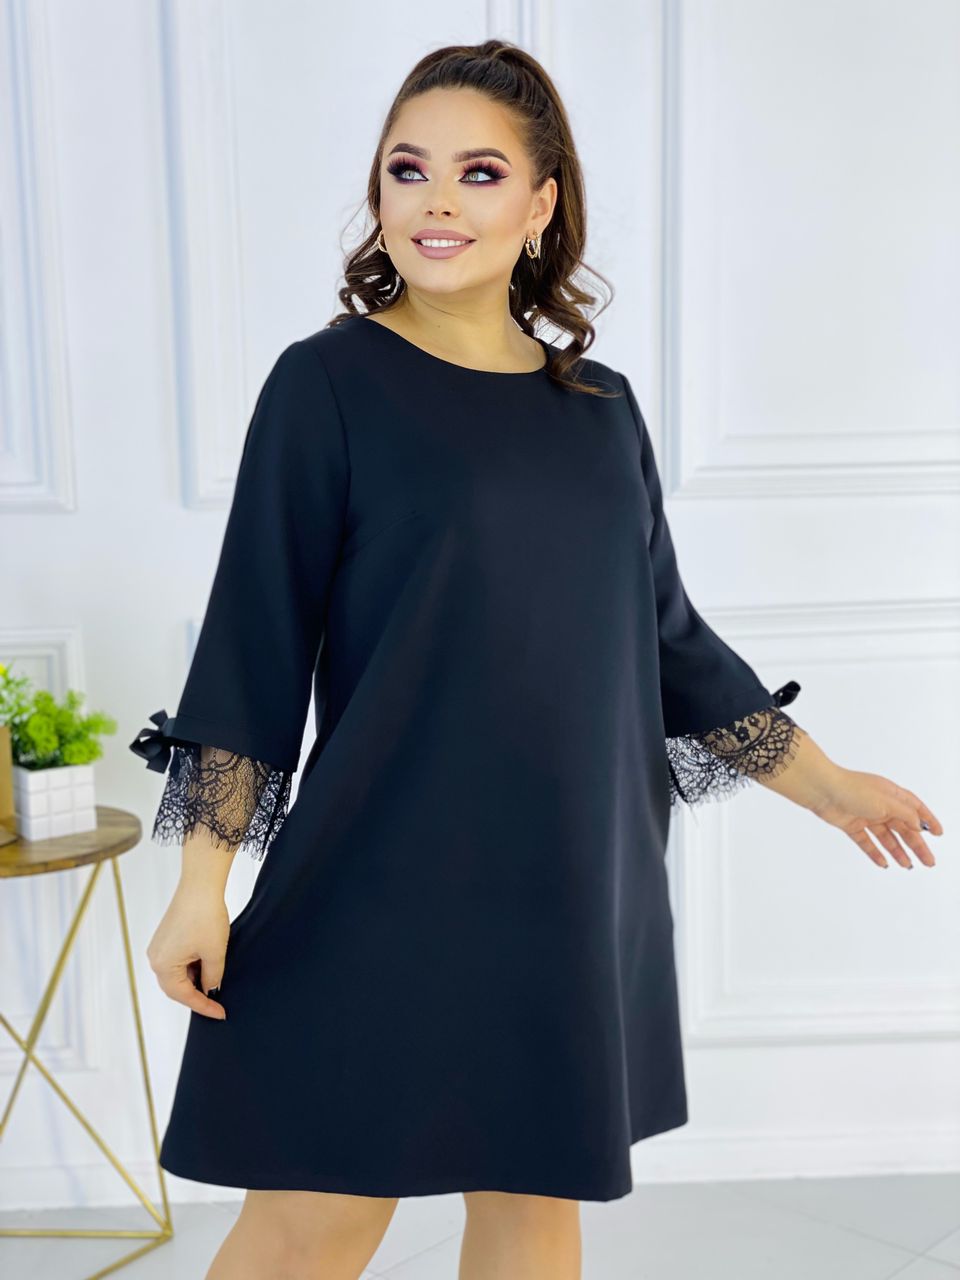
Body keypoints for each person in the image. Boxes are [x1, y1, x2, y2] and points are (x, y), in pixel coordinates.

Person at [129, 39, 943, 1280]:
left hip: (565, 883)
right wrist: (202, 880)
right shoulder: (325, 385)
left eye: (479, 172)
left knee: (531, 1209)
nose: (436, 201)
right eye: (408, 169)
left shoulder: (600, 409)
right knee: (315, 1219)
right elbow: (255, 641)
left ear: (541, 202)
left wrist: (828, 784)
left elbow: (668, 640)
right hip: (379, 879)